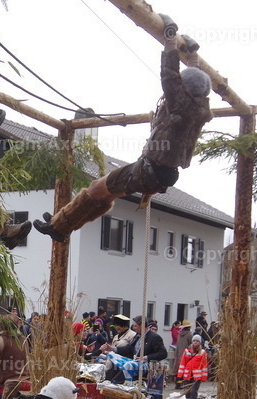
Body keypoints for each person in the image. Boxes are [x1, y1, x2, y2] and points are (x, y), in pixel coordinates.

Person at [33, 17, 211, 241]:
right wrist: (192, 53)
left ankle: (60, 226)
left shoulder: (181, 104)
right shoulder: (199, 108)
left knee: (98, 188)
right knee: (103, 193)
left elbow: (170, 75)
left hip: (151, 170)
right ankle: (62, 225)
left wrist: (170, 39)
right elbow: (195, 80)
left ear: (184, 89)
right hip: (159, 172)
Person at [0, 315, 29, 399]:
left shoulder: (0, 340)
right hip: (27, 381)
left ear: (1, 326)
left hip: (11, 383)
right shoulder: (23, 339)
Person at [177, 334, 208, 399]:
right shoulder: (187, 351)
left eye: (197, 341)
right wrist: (180, 375)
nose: (195, 342)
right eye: (194, 340)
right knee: (187, 391)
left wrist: (204, 377)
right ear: (192, 341)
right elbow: (182, 363)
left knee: (194, 391)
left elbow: (204, 365)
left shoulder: (202, 353)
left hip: (196, 376)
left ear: (200, 343)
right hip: (187, 375)